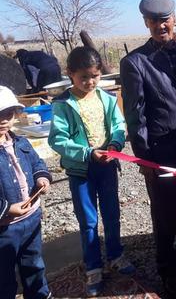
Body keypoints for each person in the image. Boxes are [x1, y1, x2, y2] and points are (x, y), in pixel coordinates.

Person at [120, 0, 176, 297]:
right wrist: (145, 160)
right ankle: (167, 270)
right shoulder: (134, 62)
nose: (160, 25)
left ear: (174, 18)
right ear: (146, 23)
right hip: (160, 152)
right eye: (154, 21)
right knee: (165, 214)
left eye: (165, 19)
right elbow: (135, 115)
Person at [48, 47, 134, 297]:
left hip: (106, 166)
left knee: (112, 213)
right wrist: (86, 152)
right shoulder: (63, 105)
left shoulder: (106, 99)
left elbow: (118, 124)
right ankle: (94, 267)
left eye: (94, 76)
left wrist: (116, 144)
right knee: (88, 221)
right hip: (81, 171)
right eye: (83, 77)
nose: (90, 82)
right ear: (70, 74)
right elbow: (58, 139)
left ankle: (116, 254)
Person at [0, 86, 52, 299]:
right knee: (3, 274)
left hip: (31, 219)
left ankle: (39, 295)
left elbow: (37, 162)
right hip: (4, 229)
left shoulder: (21, 142)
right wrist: (6, 208)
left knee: (34, 264)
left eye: (8, 114)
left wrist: (42, 177)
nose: (4, 120)